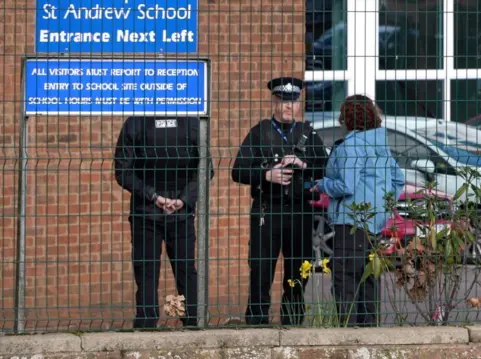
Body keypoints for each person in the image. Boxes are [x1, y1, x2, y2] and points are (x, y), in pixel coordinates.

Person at [231, 76, 328, 326]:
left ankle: (292, 322)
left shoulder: (308, 132)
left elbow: (326, 169)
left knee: (297, 272)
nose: (288, 106)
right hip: (268, 210)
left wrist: (303, 164)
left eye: (294, 101)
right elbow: (237, 171)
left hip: (299, 212)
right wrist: (266, 174)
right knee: (261, 271)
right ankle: (257, 323)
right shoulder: (260, 132)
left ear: (299, 104)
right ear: (273, 101)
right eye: (283, 100)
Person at [311, 95, 405, 327]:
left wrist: (322, 184)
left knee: (346, 282)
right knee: (369, 281)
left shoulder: (350, 146)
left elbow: (346, 186)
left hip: (350, 222)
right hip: (374, 223)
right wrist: (382, 206)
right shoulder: (380, 145)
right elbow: (398, 180)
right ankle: (369, 334)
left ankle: (348, 336)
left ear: (348, 118)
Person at [114, 116, 214, 329]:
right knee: (147, 271)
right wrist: (152, 195)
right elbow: (122, 170)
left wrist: (184, 199)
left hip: (179, 211)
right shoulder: (136, 123)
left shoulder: (192, 123)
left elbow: (205, 168)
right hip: (146, 210)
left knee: (185, 270)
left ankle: (192, 323)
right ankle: (147, 324)